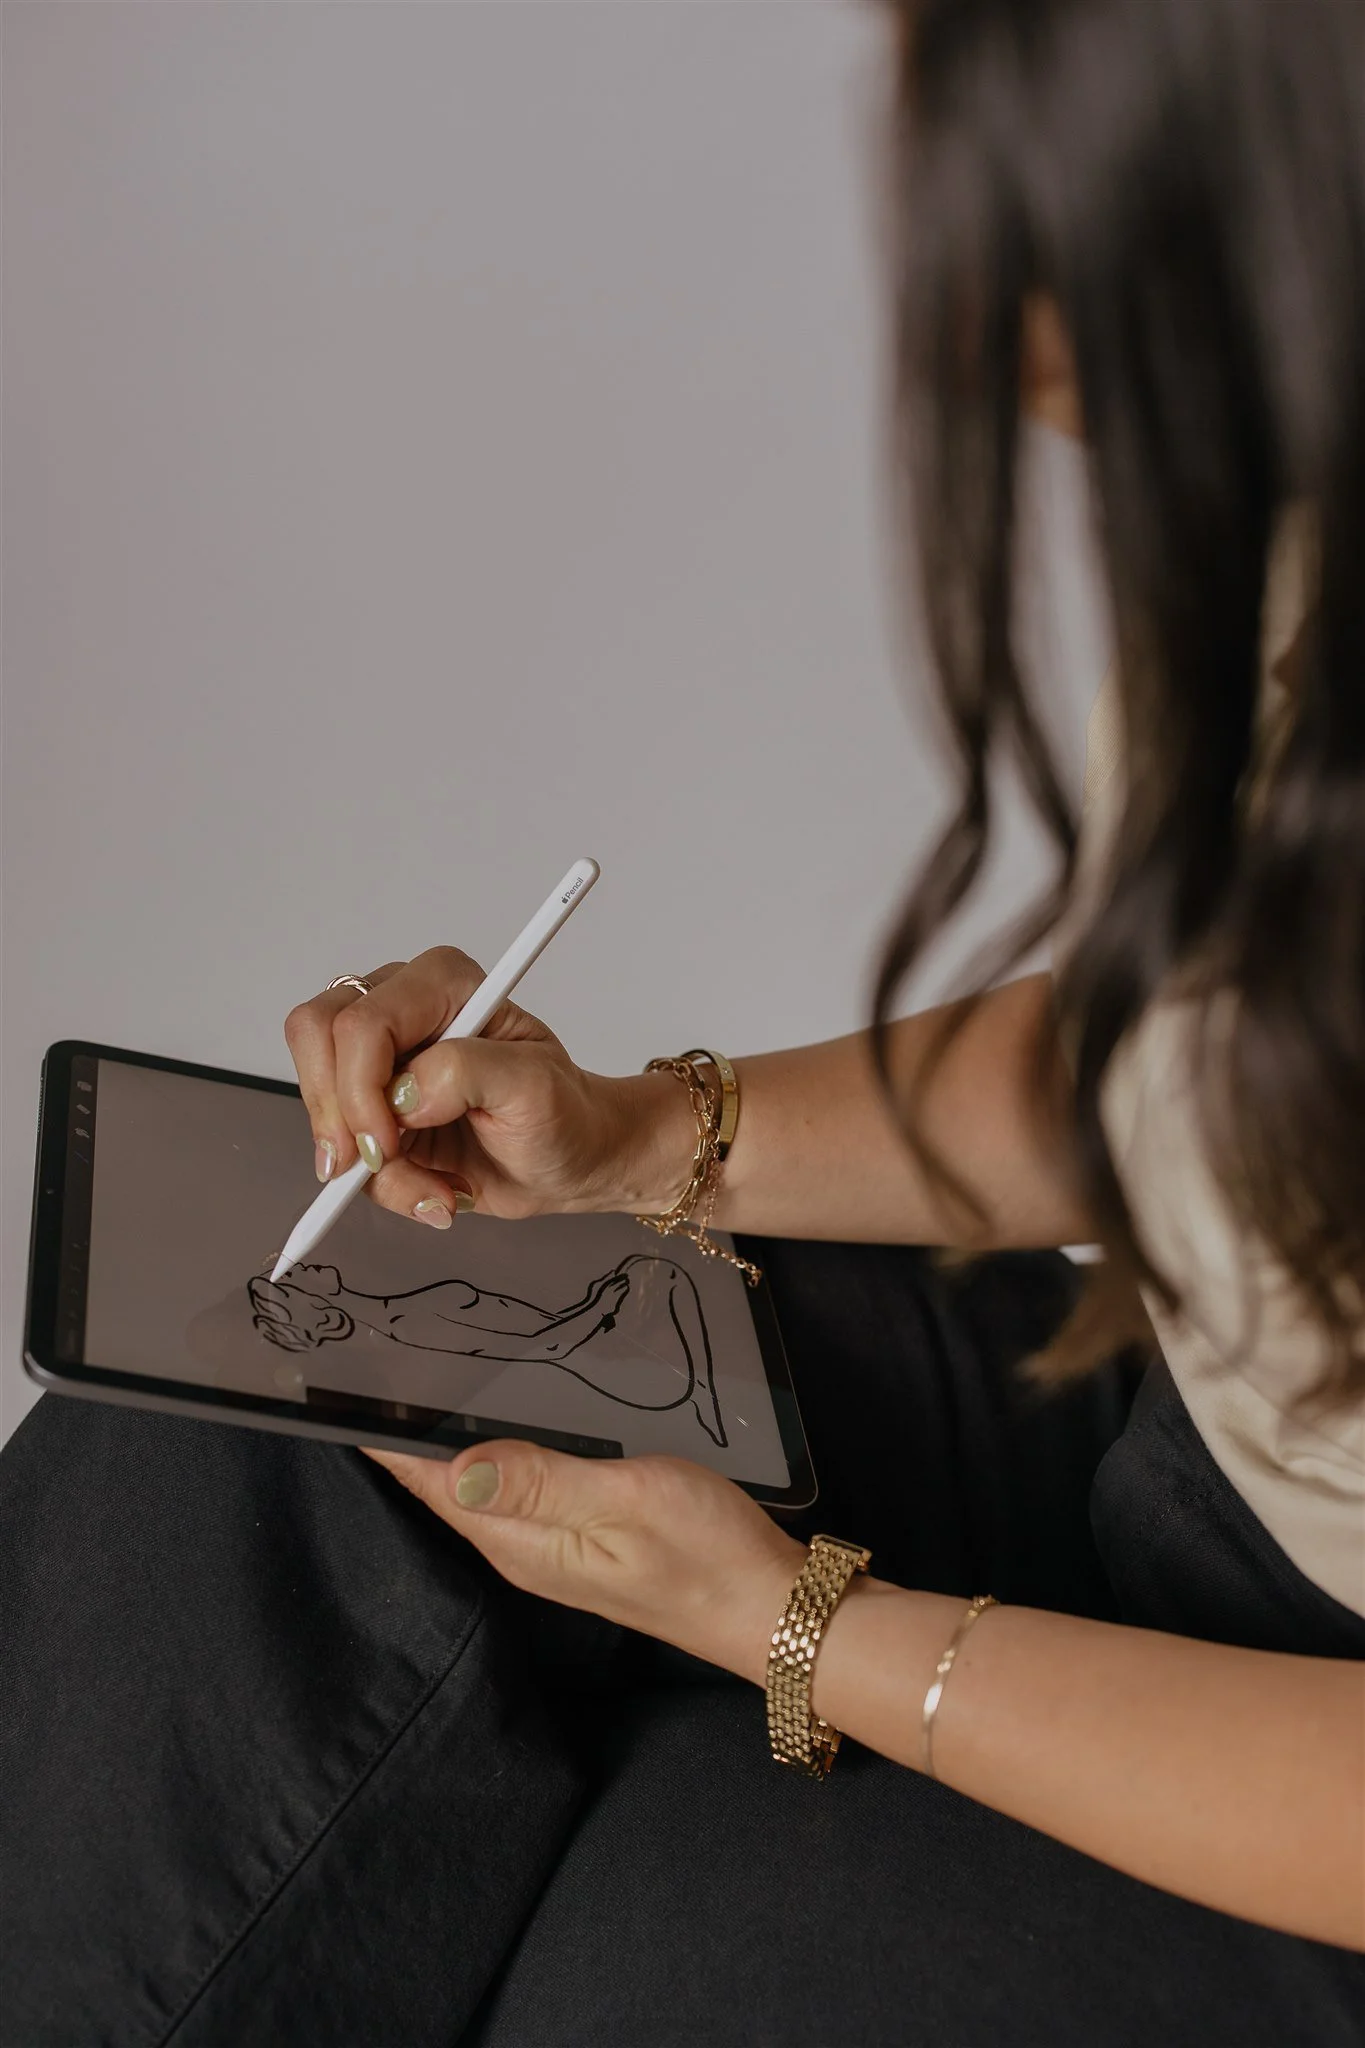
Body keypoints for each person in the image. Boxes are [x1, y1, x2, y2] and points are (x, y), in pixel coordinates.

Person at [4, 2, 1364, 2042]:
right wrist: (645, 1136)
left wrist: (790, 1623)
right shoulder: (1301, 492)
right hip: (1171, 1445)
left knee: (643, 1953)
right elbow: (1207, 1053)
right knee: (235, 1439)